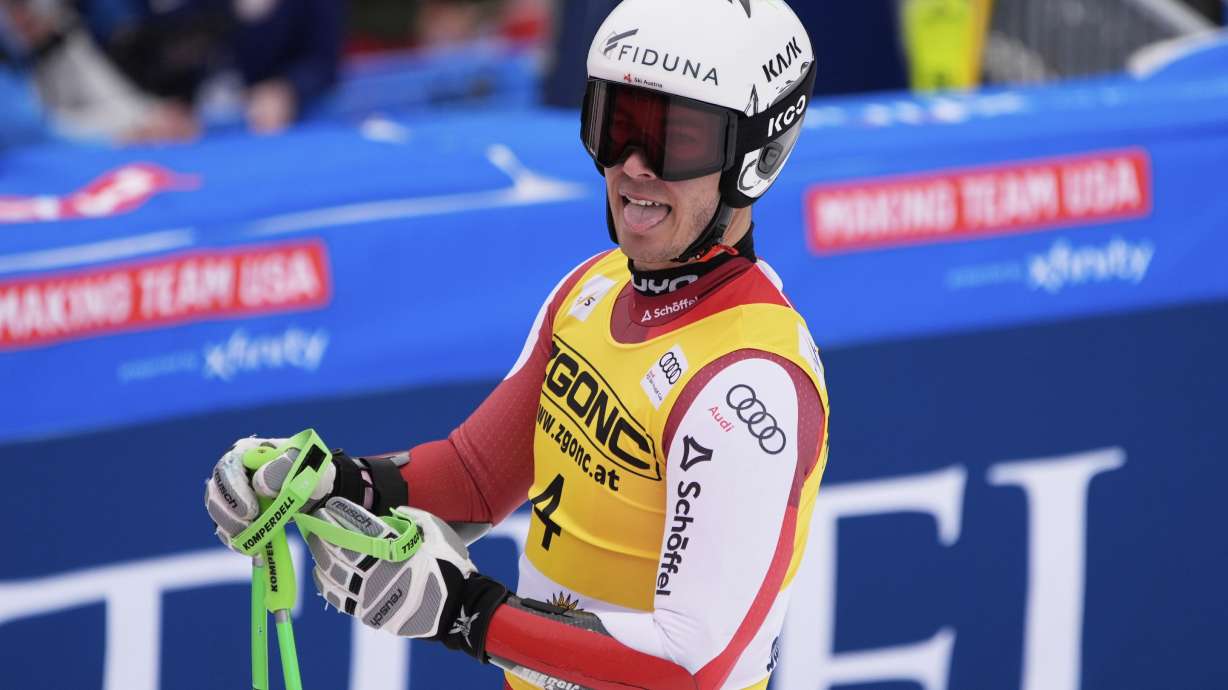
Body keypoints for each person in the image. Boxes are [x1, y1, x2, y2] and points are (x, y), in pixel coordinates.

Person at [205, 1, 829, 688]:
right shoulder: (594, 288)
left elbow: (691, 667)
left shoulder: (748, 385)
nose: (632, 166)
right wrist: (335, 481)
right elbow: (477, 476)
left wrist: (464, 613)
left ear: (757, 158)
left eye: (674, 141)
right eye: (615, 124)